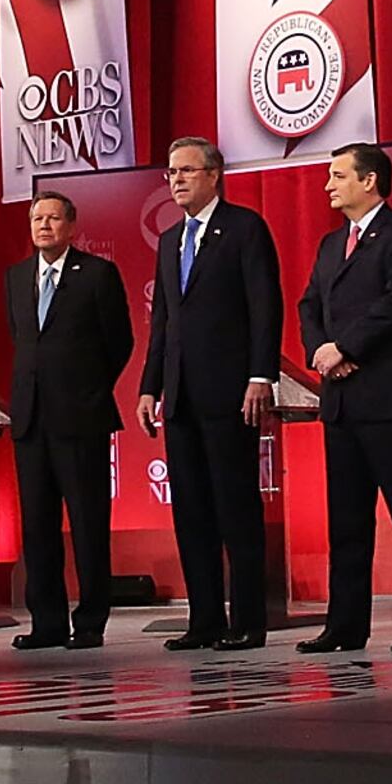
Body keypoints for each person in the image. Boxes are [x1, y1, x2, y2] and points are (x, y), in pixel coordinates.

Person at [295, 143, 392, 656]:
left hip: (388, 397)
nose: (328, 185)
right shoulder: (332, 243)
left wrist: (347, 347)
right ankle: (345, 625)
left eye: (338, 176)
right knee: (347, 521)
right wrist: (321, 350)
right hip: (341, 400)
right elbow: (309, 302)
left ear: (370, 181)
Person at [137, 137, 282, 650]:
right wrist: (150, 386)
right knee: (191, 511)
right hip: (179, 397)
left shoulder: (244, 229)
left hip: (230, 393)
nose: (176, 180)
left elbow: (265, 307)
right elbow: (164, 325)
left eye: (186, 171)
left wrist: (260, 375)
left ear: (214, 175)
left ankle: (248, 621)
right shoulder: (170, 240)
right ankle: (204, 620)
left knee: (235, 508)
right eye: (171, 172)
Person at [4, 189, 134, 651]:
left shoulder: (97, 274)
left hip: (81, 418)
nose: (43, 226)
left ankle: (91, 621)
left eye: (53, 218)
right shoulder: (17, 278)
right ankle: (47, 623)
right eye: (37, 218)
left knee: (87, 523)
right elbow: (22, 340)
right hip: (30, 420)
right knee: (37, 526)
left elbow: (120, 341)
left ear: (71, 226)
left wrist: (89, 388)